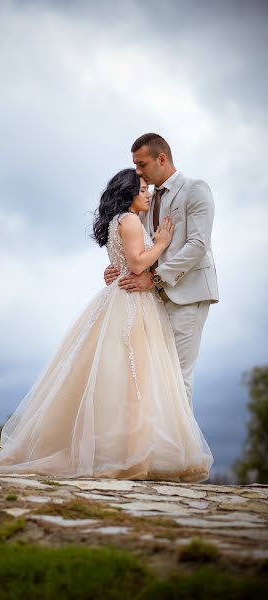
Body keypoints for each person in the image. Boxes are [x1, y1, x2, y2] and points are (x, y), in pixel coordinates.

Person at [0, 168, 213, 482]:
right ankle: (136, 452)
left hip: (117, 300)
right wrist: (162, 242)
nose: (147, 192)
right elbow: (137, 263)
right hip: (134, 303)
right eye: (141, 188)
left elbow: (122, 261)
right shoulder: (133, 220)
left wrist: (119, 268)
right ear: (128, 193)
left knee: (119, 377)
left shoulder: (116, 222)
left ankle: (124, 450)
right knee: (138, 378)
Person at [105, 134, 219, 410]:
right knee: (155, 379)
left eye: (142, 164)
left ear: (162, 158)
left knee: (178, 378)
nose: (138, 171)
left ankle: (182, 453)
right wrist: (115, 268)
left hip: (188, 295)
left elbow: (198, 245)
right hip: (152, 302)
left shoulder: (195, 189)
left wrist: (155, 278)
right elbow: (137, 245)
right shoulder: (145, 199)